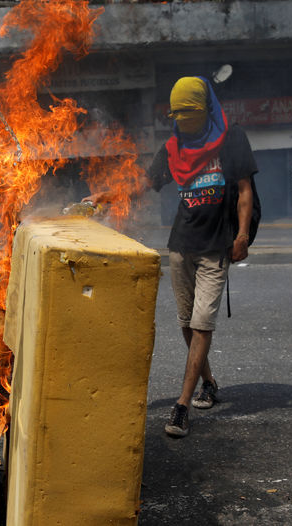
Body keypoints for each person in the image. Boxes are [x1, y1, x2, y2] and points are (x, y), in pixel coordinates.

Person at [85, 76, 255, 438]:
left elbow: (244, 190)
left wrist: (242, 235)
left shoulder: (232, 139)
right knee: (185, 321)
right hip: (181, 244)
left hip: (217, 247)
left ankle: (182, 405)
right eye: (179, 115)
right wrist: (106, 196)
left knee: (202, 323)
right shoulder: (174, 148)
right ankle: (209, 381)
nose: (184, 121)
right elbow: (142, 183)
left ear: (206, 109)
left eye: (190, 114)